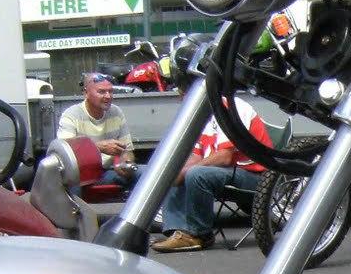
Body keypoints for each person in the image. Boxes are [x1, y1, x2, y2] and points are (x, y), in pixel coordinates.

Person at [151, 99, 272, 253]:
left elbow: (225, 157)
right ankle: (178, 232)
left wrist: (188, 170)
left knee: (196, 173)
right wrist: (175, 173)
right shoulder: (203, 115)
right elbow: (197, 155)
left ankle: (199, 234)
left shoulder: (233, 107)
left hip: (256, 177)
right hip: (227, 173)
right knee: (173, 171)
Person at [57, 71, 136, 188]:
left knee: (147, 174)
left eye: (110, 91)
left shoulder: (116, 112)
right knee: (71, 183)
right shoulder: (71, 115)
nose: (108, 96)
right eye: (101, 92)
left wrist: (127, 163)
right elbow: (65, 154)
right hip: (81, 174)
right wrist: (98, 147)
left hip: (108, 171)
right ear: (86, 93)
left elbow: (127, 150)